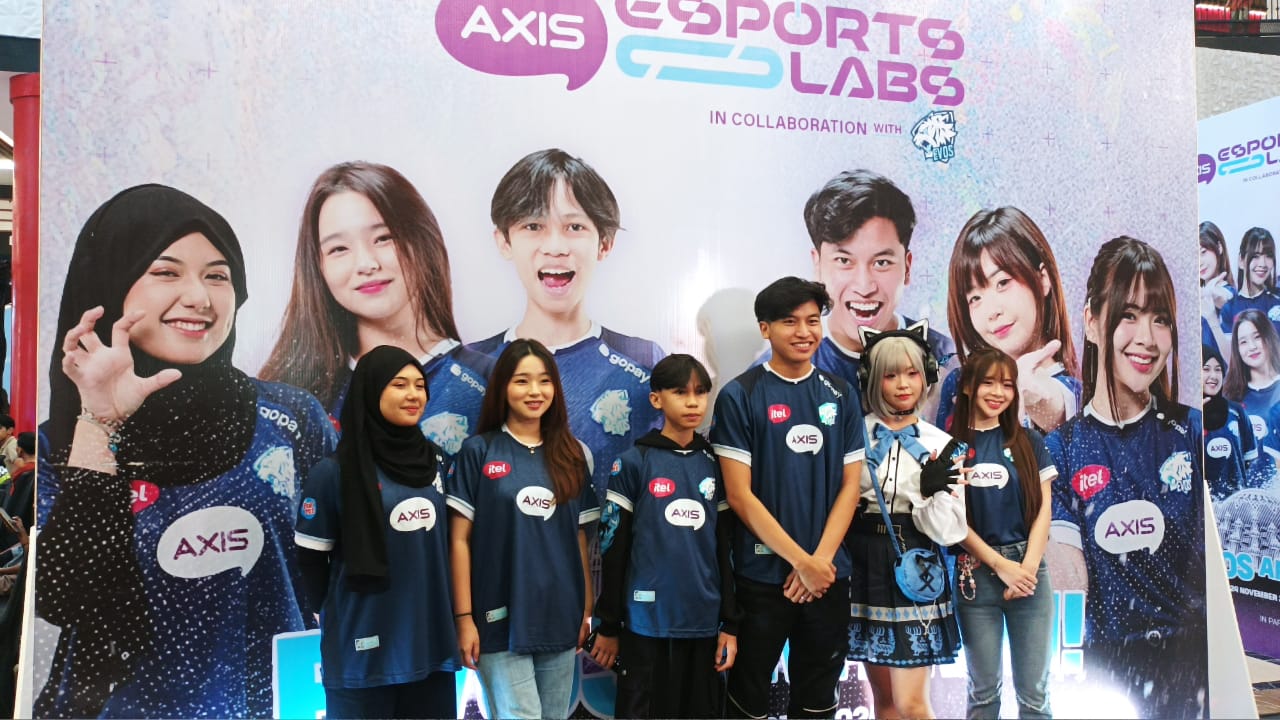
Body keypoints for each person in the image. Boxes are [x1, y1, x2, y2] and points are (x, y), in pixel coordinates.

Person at [35, 184, 337, 718]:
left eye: (217, 276)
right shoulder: (64, 440)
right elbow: (61, 600)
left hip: (274, 703)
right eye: (166, 272)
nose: (199, 297)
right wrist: (101, 423)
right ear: (111, 284)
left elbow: (343, 568)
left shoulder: (292, 420)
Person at [1047, 236, 1206, 718]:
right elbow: (1067, 588)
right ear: (1093, 321)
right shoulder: (1062, 449)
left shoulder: (1192, 432)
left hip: (1192, 673)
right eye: (1130, 315)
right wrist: (1064, 667)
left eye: (1160, 319)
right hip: (1105, 679)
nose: (1148, 339)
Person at [467, 149, 665, 504]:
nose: (555, 247)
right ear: (504, 241)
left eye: (575, 227)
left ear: (605, 243)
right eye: (533, 226)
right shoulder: (470, 366)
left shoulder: (644, 361)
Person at [260, 161, 494, 455]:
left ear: (424, 240)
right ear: (318, 267)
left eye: (384, 238)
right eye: (339, 249)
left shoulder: (492, 382)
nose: (366, 264)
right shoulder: (287, 400)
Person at [710, 277, 865, 720]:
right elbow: (739, 496)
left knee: (818, 698)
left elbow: (850, 487)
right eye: (789, 321)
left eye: (813, 321)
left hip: (828, 575)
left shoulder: (841, 393)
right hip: (762, 576)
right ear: (765, 328)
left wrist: (820, 562)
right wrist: (801, 562)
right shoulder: (740, 395)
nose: (804, 332)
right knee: (748, 696)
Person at [294, 346, 460, 718]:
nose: (414, 394)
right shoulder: (334, 472)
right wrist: (330, 614)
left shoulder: (436, 461)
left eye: (419, 385)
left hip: (430, 648)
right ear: (370, 390)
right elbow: (310, 558)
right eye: (399, 385)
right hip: (361, 655)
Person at [447, 339, 600, 720]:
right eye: (522, 381)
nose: (535, 391)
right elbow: (459, 540)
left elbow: (579, 537)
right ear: (502, 387)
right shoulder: (478, 451)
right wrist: (464, 618)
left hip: (560, 615)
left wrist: (585, 610)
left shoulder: (572, 454)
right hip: (497, 618)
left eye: (544, 381)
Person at [589, 354, 740, 718]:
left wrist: (731, 623)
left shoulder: (716, 465)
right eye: (680, 392)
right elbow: (613, 548)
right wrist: (608, 625)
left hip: (703, 624)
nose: (693, 402)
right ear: (656, 399)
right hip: (645, 624)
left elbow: (726, 549)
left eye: (700, 392)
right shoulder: (633, 462)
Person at [758, 170, 956, 418]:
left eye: (881, 262)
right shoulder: (773, 374)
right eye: (844, 260)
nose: (864, 287)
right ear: (817, 265)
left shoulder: (948, 361)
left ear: (907, 267)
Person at [847, 324, 967, 720]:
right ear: (872, 379)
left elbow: (951, 531)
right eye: (890, 374)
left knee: (912, 705)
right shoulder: (852, 435)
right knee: (883, 702)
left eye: (912, 373)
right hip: (861, 560)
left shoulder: (940, 445)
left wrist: (928, 493)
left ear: (927, 375)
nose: (903, 384)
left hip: (916, 564)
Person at [949, 348, 1056, 718]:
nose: (998, 393)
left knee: (1035, 696)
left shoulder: (1029, 442)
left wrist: (1026, 570)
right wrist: (1001, 566)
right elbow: (953, 521)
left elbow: (1044, 510)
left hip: (1029, 573)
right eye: (989, 383)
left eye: (1007, 385)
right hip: (975, 577)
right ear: (968, 387)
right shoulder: (949, 447)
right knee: (982, 693)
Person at [938, 206, 1079, 433]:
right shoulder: (957, 386)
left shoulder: (1078, 395)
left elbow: (1058, 404)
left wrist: (1031, 394)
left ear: (1042, 279)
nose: (991, 312)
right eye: (975, 298)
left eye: (1002, 283)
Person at [1224, 308, 1280, 466]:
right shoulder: (1230, 395)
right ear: (1237, 349)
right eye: (1243, 342)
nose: (1252, 346)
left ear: (1269, 336)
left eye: (1257, 337)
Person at [1203, 344, 1254, 501]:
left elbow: (1248, 460)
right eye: (1206, 369)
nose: (1213, 376)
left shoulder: (1236, 411)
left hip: (1237, 506)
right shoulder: (1185, 416)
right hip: (1200, 508)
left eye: (1218, 369)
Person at [1221, 226, 1280, 336]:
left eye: (1268, 256)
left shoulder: (1277, 299)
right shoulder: (1229, 307)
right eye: (1256, 256)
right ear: (1241, 260)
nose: (1263, 264)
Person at [1199, 221, 1235, 358]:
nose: (1199, 262)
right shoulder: (1195, 296)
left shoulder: (1229, 295)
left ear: (1219, 247)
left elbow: (1232, 358)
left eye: (1203, 252)